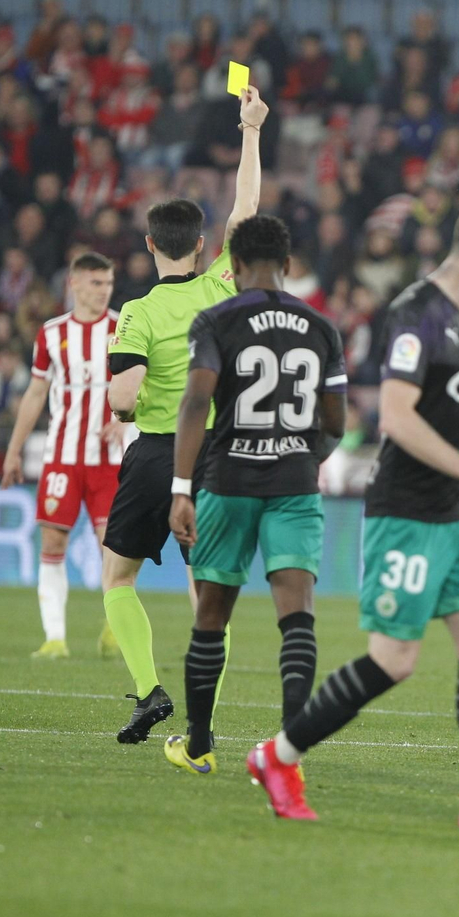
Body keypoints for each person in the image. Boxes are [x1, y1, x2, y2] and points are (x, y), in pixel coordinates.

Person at [246, 199, 459, 830]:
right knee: (394, 660)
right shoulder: (418, 312)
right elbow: (396, 417)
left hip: (458, 519)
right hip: (408, 513)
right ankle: (277, 757)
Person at [97, 85, 266, 744]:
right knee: (209, 596)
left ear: (149, 244)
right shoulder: (221, 284)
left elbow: (122, 397)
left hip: (154, 454)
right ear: (201, 245)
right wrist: (250, 129)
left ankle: (148, 692)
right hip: (216, 457)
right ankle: (202, 724)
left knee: (118, 577)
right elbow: (246, 207)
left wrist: (127, 397)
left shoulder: (137, 313)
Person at [163, 214, 347, 776]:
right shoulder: (321, 327)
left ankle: (198, 745)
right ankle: (288, 756)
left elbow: (196, 402)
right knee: (297, 618)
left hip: (228, 482)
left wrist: (181, 489)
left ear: (236, 265)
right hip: (294, 485)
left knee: (211, 615)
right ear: (287, 265)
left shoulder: (215, 320)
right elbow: (336, 424)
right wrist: (300, 458)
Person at [0, 252, 124, 660]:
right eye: (96, 283)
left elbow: (147, 383)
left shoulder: (123, 327)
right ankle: (55, 638)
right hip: (62, 457)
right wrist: (13, 451)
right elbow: (36, 393)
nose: (104, 291)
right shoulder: (51, 334)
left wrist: (126, 420)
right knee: (53, 540)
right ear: (74, 283)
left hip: (109, 459)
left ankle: (116, 624)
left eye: (108, 283)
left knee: (113, 546)